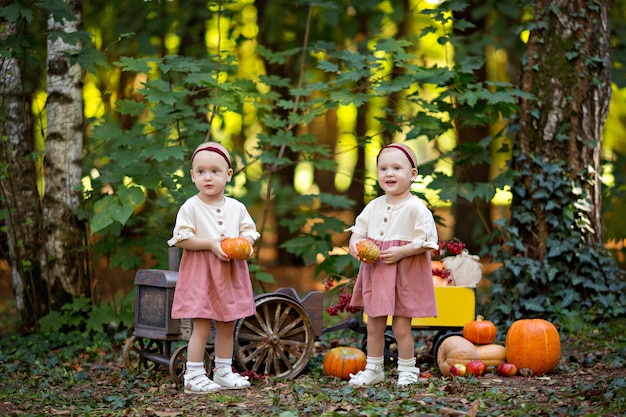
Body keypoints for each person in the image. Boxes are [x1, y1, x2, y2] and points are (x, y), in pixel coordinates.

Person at [167, 141, 260, 394]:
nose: (208, 177)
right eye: (201, 172)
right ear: (193, 176)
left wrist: (247, 245)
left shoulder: (237, 207)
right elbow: (181, 238)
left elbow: (249, 232)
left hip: (229, 272)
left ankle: (223, 371)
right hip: (200, 273)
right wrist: (210, 243)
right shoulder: (191, 206)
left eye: (215, 171)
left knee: (227, 323)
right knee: (202, 325)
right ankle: (194, 374)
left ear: (228, 175)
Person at [346, 143, 439, 387]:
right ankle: (374, 368)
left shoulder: (417, 208)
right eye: (383, 168)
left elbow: (428, 242)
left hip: (404, 274)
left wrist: (402, 251)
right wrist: (355, 244)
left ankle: (407, 369)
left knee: (400, 326)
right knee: (374, 323)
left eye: (397, 168)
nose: (389, 173)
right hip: (378, 273)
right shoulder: (373, 206)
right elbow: (358, 231)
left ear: (413, 174)